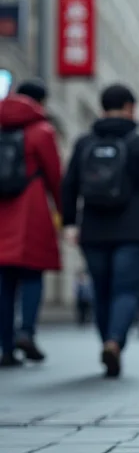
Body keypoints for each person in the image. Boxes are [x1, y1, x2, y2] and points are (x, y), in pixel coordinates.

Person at [62, 84, 139, 377]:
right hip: (134, 231)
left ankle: (107, 342)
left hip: (93, 230)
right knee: (125, 290)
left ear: (102, 107)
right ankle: (114, 342)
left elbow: (69, 185)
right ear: (130, 107)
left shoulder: (84, 142)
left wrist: (70, 223)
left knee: (101, 290)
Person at [0, 79, 62, 367]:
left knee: (4, 282)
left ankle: (6, 346)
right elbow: (54, 176)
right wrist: (66, 213)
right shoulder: (41, 130)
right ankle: (26, 331)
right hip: (31, 209)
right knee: (32, 275)